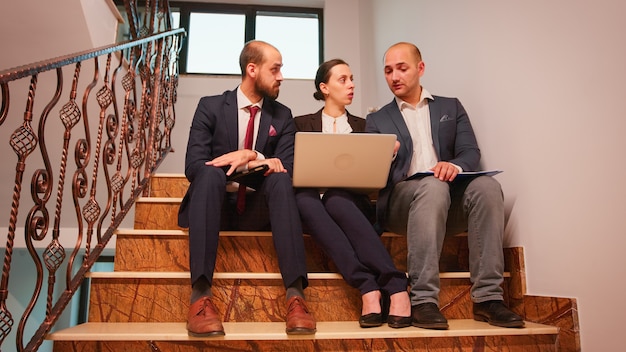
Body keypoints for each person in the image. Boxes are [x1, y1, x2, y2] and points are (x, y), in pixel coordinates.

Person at [365, 42, 525, 330]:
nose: (394, 77)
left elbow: (470, 152)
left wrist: (455, 165)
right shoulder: (377, 119)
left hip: (446, 200)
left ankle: (489, 298)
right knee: (432, 186)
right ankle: (424, 299)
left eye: (402, 68)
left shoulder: (451, 106)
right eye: (388, 71)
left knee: (487, 187)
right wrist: (384, 158)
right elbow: (372, 179)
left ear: (420, 68)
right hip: (404, 204)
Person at [177, 40, 316, 337]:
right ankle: (200, 296)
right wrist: (242, 162)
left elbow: (286, 168)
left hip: (260, 211)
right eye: (275, 69)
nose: (281, 77)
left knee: (280, 178)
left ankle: (296, 296)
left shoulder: (282, 115)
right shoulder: (211, 106)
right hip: (214, 208)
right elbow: (193, 166)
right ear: (252, 69)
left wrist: (252, 155)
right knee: (209, 173)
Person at [294, 59, 411, 328]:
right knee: (306, 200)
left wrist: (387, 155)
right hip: (311, 201)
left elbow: (374, 178)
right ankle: (373, 285)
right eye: (343, 79)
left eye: (352, 79)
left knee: (336, 197)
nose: (351, 85)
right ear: (324, 87)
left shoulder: (364, 125)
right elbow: (291, 165)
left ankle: (383, 287)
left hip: (350, 201)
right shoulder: (300, 123)